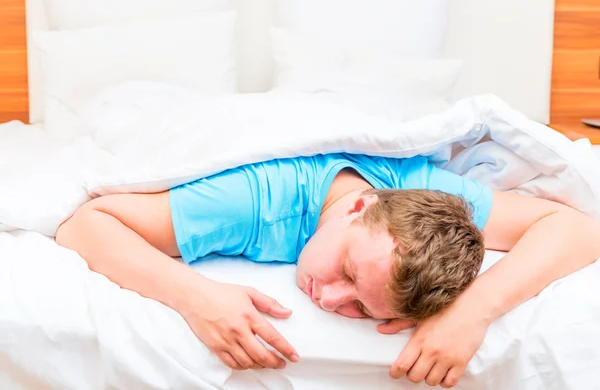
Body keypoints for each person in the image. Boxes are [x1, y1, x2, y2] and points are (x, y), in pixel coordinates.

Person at [56, 153, 600, 388]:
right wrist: (195, 297)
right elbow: (86, 225)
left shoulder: (435, 202)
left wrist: (475, 311)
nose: (329, 298)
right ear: (360, 204)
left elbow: (578, 228)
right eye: (345, 269)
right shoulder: (255, 202)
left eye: (360, 308)